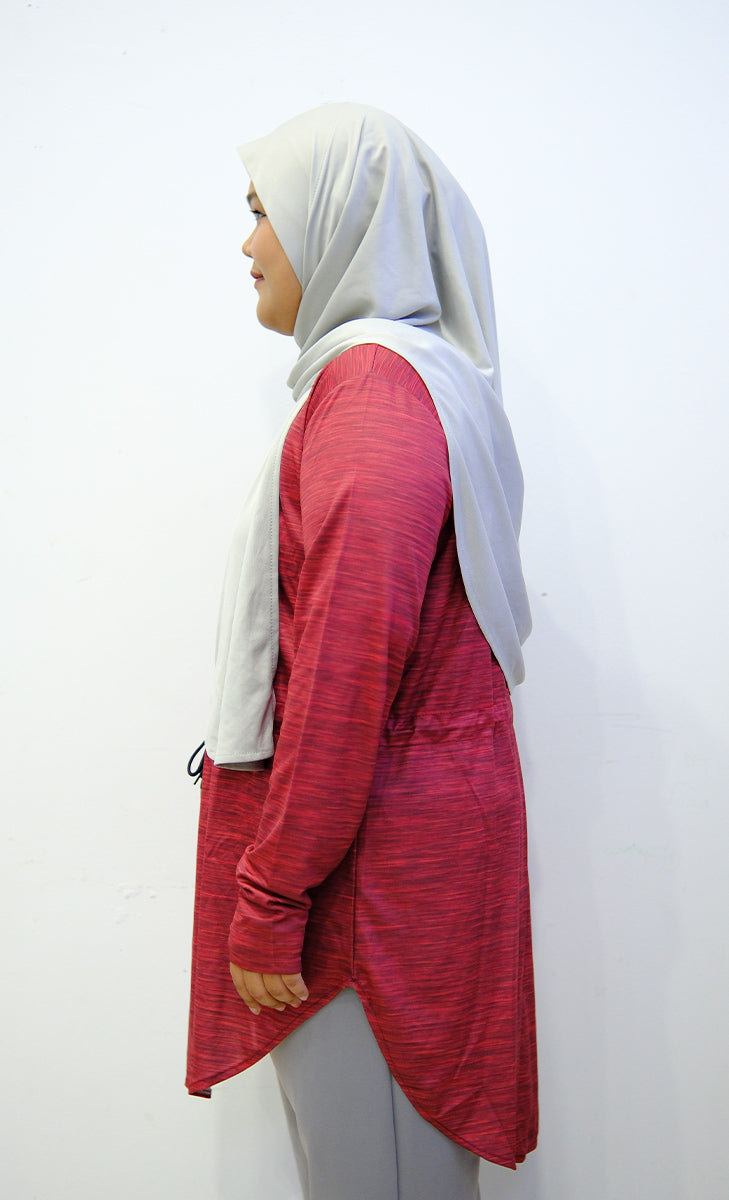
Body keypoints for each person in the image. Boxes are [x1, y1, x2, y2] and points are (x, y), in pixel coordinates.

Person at [186, 102, 538, 1200]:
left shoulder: (374, 396)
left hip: (366, 891)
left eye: (263, 212)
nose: (248, 244)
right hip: (389, 860)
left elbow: (343, 676)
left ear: (336, 219)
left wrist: (271, 895)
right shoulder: (411, 381)